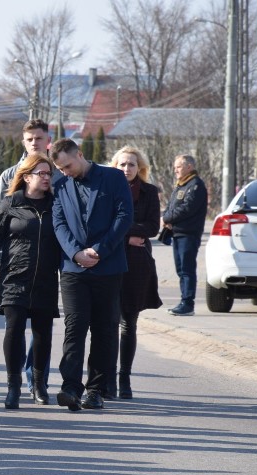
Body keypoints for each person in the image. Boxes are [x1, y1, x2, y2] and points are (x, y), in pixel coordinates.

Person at [50, 138, 132, 411]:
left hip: (107, 266)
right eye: (60, 168)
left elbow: (124, 217)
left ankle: (95, 389)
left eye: (68, 166)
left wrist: (98, 250)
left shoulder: (113, 178)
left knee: (104, 329)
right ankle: (70, 387)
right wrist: (76, 253)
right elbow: (59, 223)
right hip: (74, 269)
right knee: (74, 327)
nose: (65, 172)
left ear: (80, 155)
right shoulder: (60, 185)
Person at [0, 154, 61, 407]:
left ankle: (38, 385)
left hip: (46, 279)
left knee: (42, 333)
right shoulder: (10, 203)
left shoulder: (55, 205)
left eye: (49, 173)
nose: (46, 178)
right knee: (14, 331)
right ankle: (13, 387)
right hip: (15, 277)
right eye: (41, 173)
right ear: (26, 177)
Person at [108, 147, 162, 399]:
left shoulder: (150, 192)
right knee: (106, 323)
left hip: (137, 265)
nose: (126, 169)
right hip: (109, 261)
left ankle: (124, 379)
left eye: (131, 164)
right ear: (115, 166)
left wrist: (122, 231)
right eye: (122, 164)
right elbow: (101, 225)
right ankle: (105, 378)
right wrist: (129, 236)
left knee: (128, 323)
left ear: (139, 168)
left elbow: (152, 227)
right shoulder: (107, 189)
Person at [162, 154, 208, 317]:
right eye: (175, 167)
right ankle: (183, 301)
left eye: (179, 167)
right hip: (178, 233)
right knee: (181, 269)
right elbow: (171, 205)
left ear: (189, 167)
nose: (175, 170)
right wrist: (165, 216)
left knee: (187, 270)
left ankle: (188, 303)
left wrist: (167, 218)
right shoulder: (181, 185)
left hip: (188, 234)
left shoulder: (196, 185)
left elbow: (187, 208)